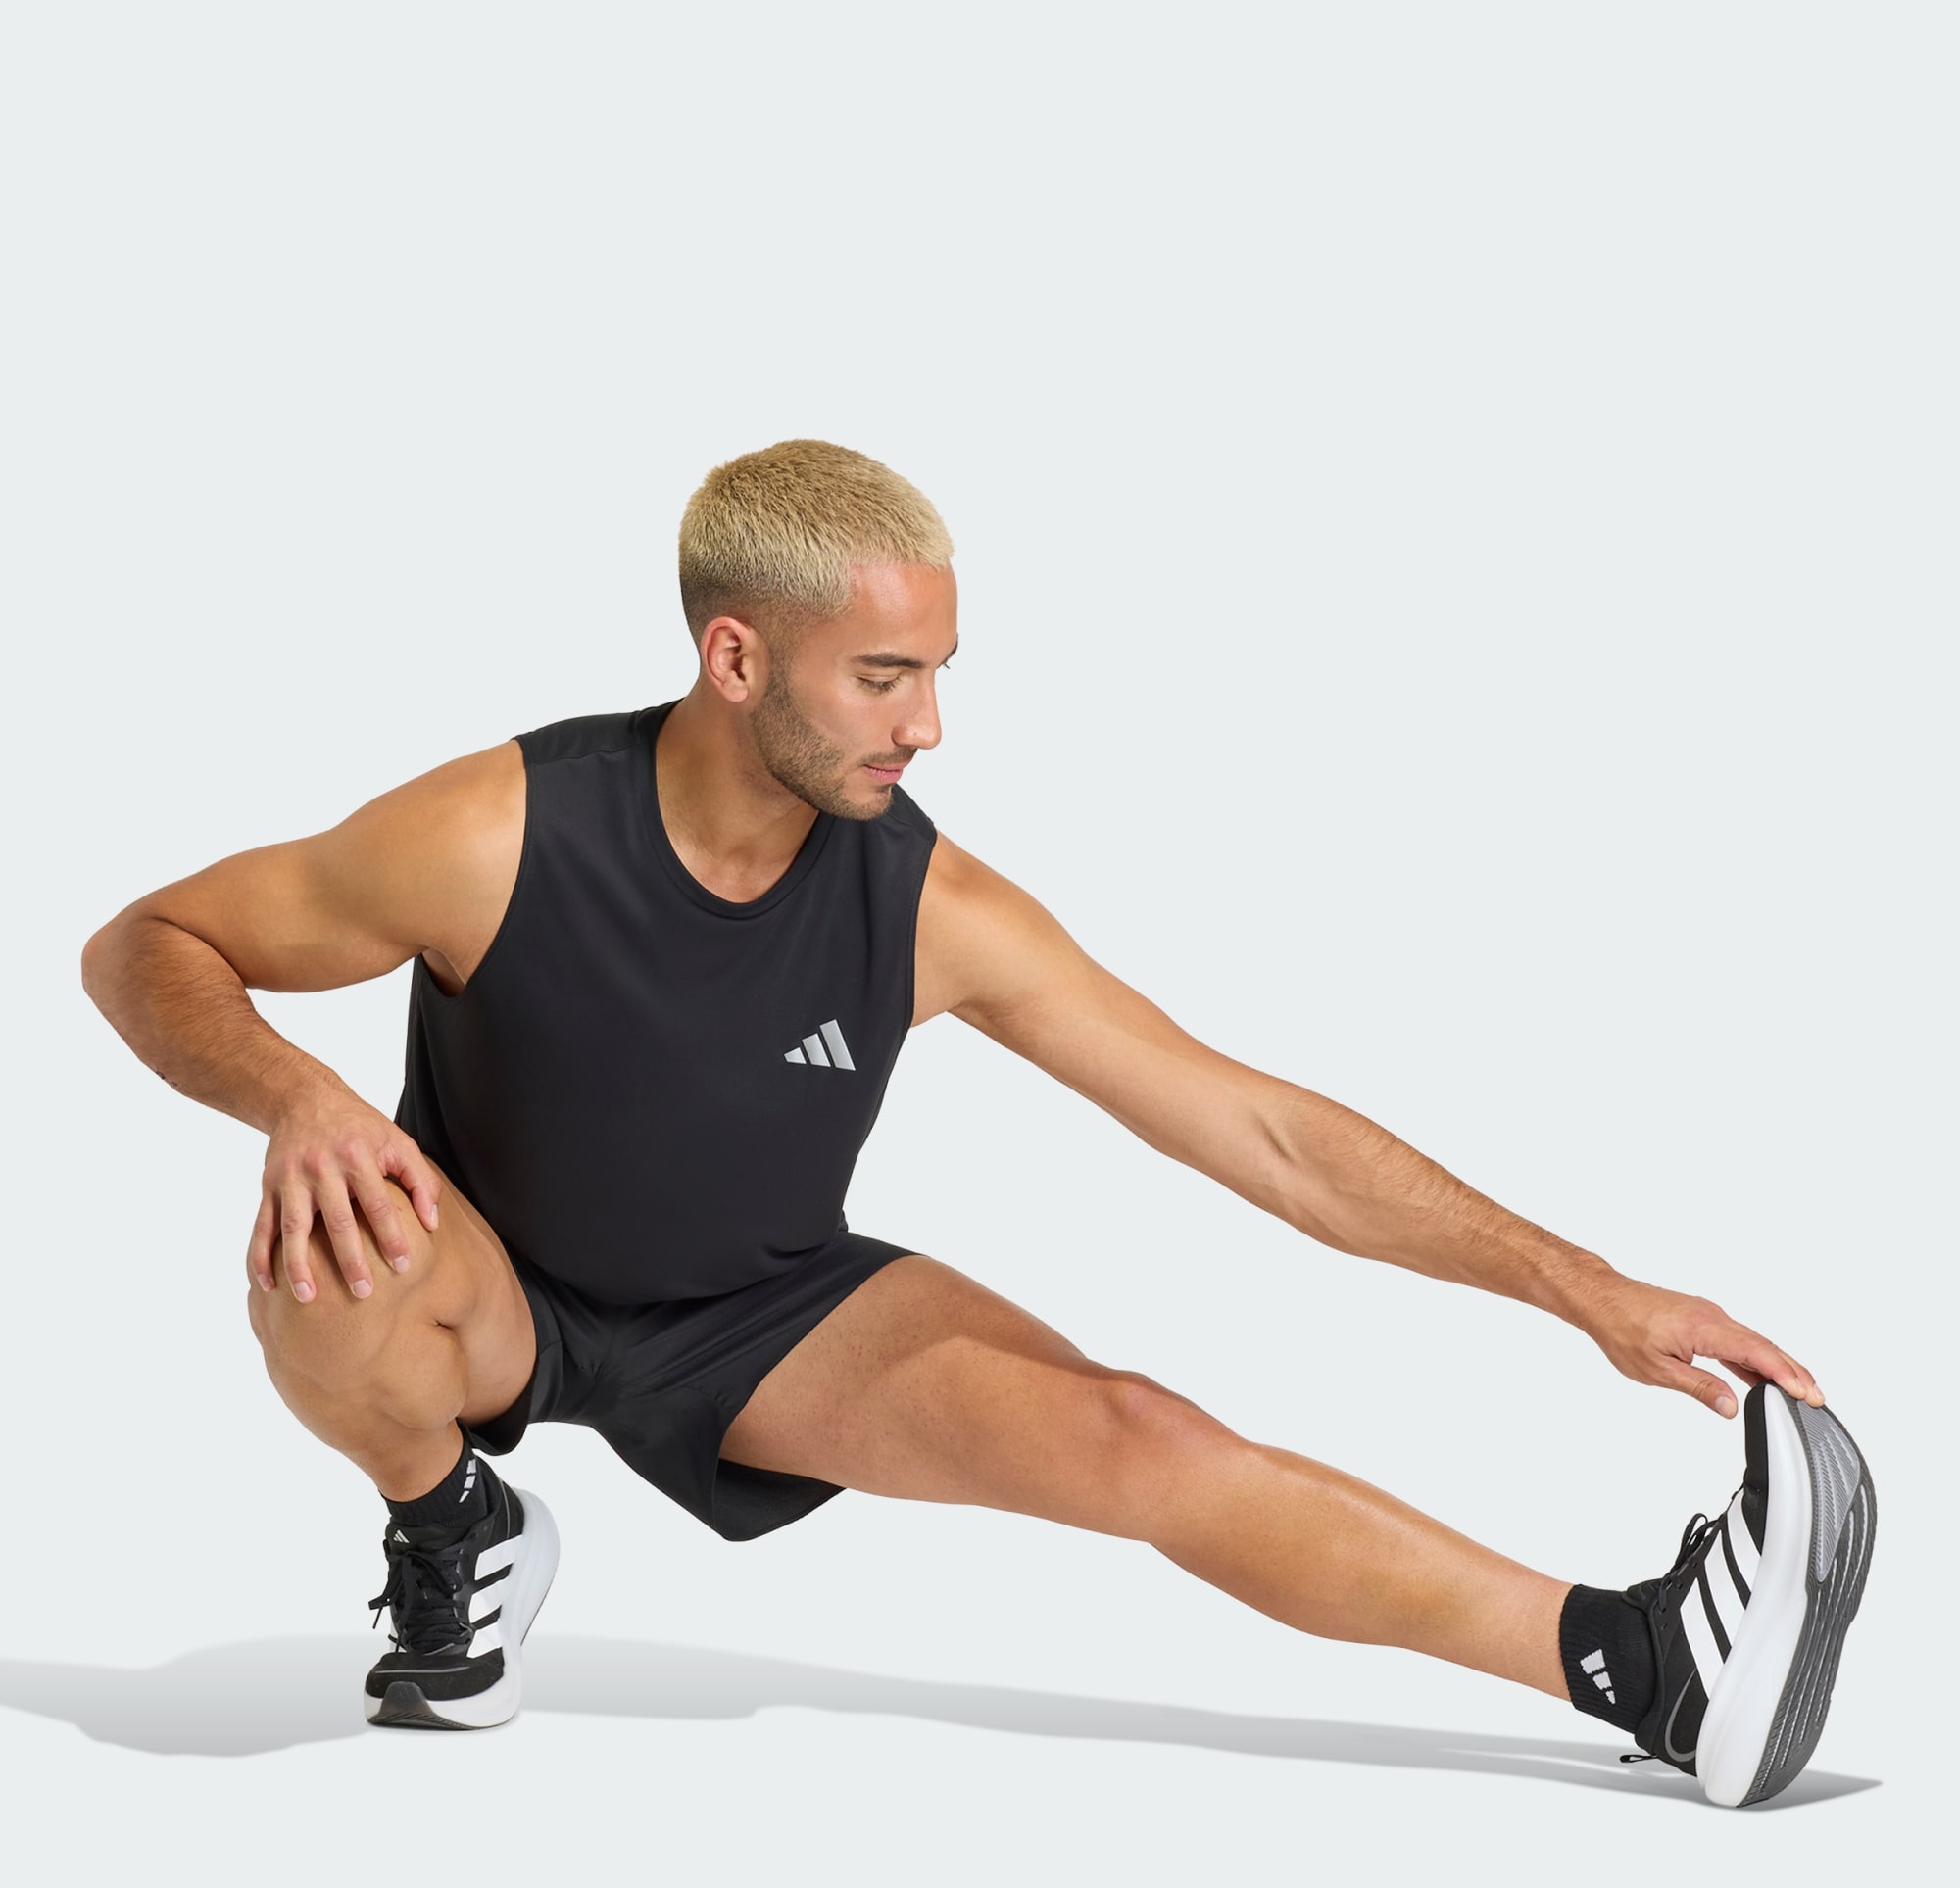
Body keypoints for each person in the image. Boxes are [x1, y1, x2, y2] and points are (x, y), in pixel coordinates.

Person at [80, 438, 1873, 1804]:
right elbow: (147, 943)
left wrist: (1592, 1292)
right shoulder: (499, 830)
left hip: (760, 1316)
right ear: (735, 657)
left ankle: (1640, 1664)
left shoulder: (929, 906)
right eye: (884, 677)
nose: (930, 724)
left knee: (1140, 1436)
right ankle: (450, 1526)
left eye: (942, 671)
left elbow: (1260, 1134)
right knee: (330, 1250)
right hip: (483, 1291)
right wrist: (299, 1094)